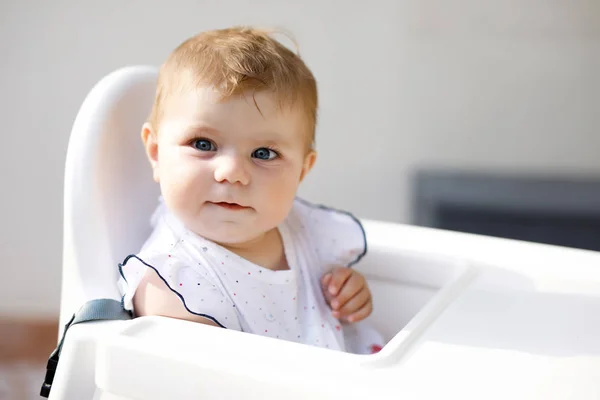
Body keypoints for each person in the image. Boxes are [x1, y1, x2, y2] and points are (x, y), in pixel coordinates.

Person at [118, 26, 383, 354]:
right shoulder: (173, 285)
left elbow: (317, 310)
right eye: (204, 144)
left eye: (264, 153)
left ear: (302, 169)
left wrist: (347, 292)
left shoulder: (304, 228)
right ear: (157, 153)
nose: (232, 173)